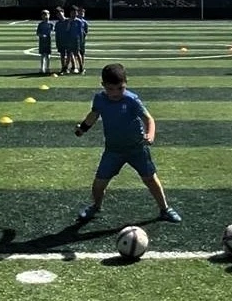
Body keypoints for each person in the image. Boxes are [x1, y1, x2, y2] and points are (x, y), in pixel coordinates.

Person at [73, 63, 182, 224]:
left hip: (137, 149)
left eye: (120, 88)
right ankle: (96, 206)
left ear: (126, 84)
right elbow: (93, 115)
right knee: (98, 184)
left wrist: (150, 135)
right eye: (110, 89)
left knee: (150, 179)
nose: (115, 93)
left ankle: (165, 209)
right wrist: (82, 128)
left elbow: (148, 119)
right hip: (113, 151)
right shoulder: (100, 99)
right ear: (103, 85)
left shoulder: (131, 100)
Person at [36, 9, 53, 74]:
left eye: (46, 14)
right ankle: (42, 68)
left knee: (48, 55)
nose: (45, 16)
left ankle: (48, 68)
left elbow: (53, 31)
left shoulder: (51, 24)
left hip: (48, 41)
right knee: (42, 55)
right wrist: (42, 35)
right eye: (43, 15)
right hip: (42, 42)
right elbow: (37, 33)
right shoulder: (40, 24)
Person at [76, 6, 89, 74]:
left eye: (83, 12)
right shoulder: (75, 20)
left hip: (82, 40)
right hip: (75, 39)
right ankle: (75, 66)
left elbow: (86, 31)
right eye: (80, 12)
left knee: (82, 53)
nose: (82, 13)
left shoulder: (85, 22)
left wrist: (83, 34)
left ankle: (81, 66)